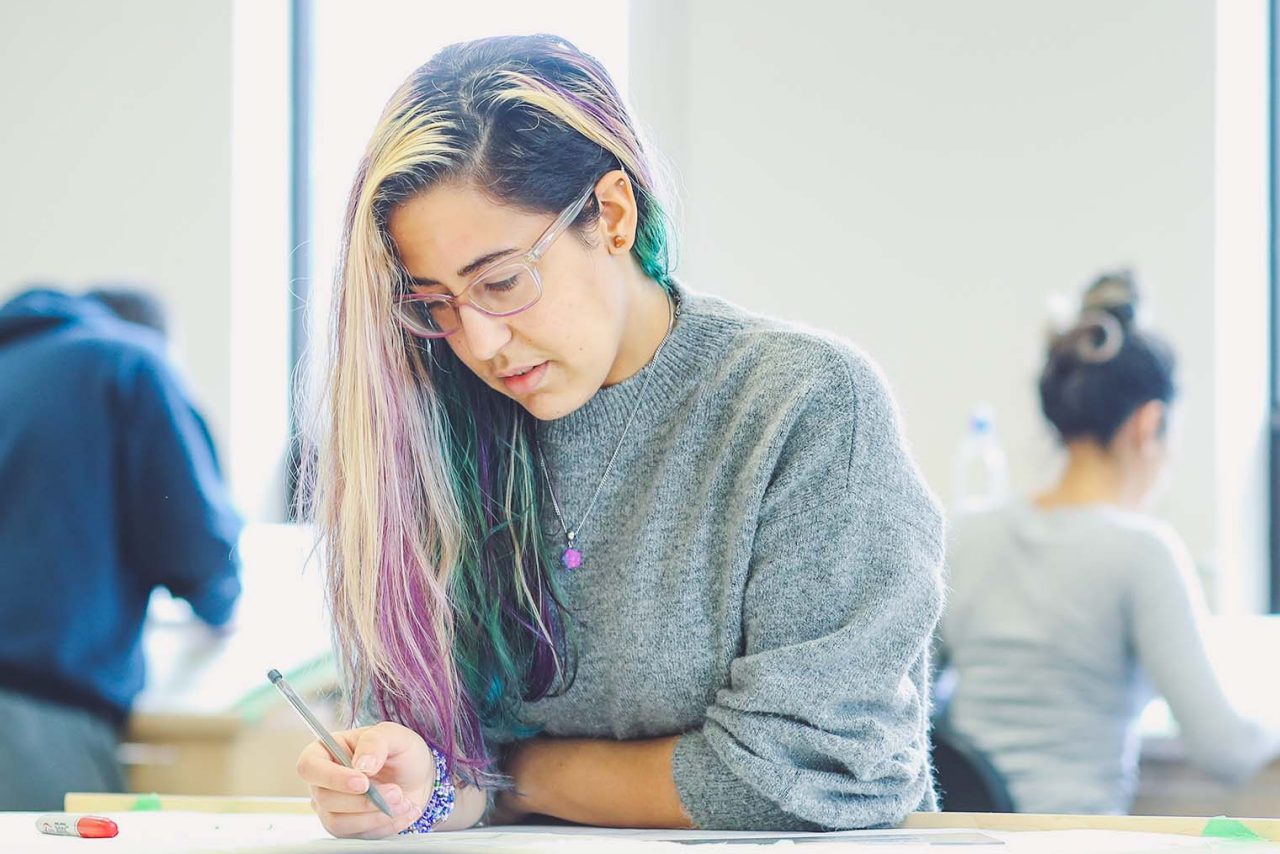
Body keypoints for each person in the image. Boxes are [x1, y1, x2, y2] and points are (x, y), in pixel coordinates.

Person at [294, 34, 944, 837]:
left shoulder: (801, 406)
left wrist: (506, 774)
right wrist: (412, 780)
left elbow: (803, 778)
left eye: (501, 283)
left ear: (611, 214)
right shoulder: (436, 428)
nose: (480, 343)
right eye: (436, 305)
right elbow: (444, 772)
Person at [938, 272, 1280, 815]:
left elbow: (909, 699)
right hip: (1079, 837)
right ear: (1150, 423)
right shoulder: (1141, 552)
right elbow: (1226, 748)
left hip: (964, 833)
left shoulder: (965, 533)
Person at [0, 286, 243, 810]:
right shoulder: (128, 361)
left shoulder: (17, 365)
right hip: (35, 711)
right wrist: (220, 601)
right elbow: (194, 537)